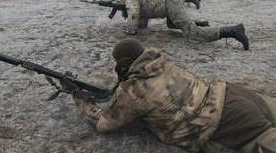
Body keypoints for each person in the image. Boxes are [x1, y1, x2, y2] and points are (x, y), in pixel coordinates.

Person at [63, 39, 276, 153]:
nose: (113, 65)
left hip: (226, 124)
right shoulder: (161, 64)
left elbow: (103, 124)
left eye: (115, 62)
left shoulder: (133, 91)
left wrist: (78, 96)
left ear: (124, 63)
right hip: (233, 94)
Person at [118, 0, 249, 50]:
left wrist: (130, 28)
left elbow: (134, 12)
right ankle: (199, 23)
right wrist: (129, 16)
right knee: (172, 25)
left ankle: (232, 31)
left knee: (192, 33)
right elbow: (142, 21)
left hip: (169, 1)